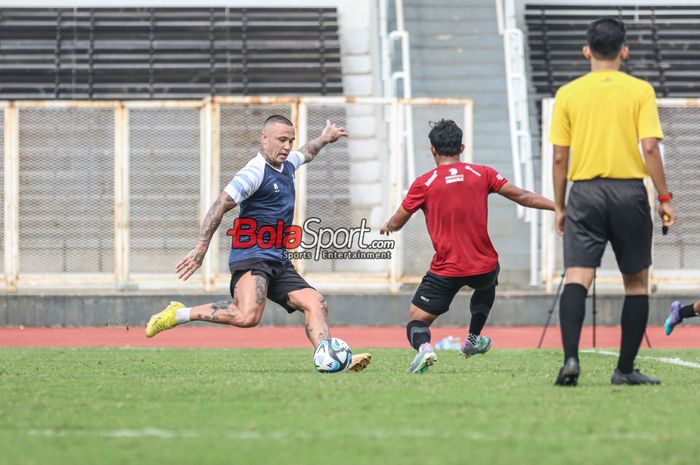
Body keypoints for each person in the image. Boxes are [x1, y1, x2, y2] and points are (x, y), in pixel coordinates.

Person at [144, 115, 371, 373]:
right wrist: (201, 248)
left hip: (278, 258)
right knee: (247, 316)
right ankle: (179, 314)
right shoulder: (254, 172)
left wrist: (324, 139)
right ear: (264, 138)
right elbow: (220, 205)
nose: (287, 146)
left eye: (290, 140)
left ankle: (332, 359)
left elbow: (307, 152)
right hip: (252, 255)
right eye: (281, 140)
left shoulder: (287, 163)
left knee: (316, 303)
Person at [550, 18, 676, 386]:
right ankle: (624, 369)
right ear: (624, 51)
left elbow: (560, 157)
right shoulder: (640, 91)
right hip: (628, 193)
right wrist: (665, 197)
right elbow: (650, 147)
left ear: (587, 50)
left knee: (577, 277)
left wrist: (560, 206)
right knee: (636, 283)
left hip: (585, 193)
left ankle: (571, 359)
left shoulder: (568, 94)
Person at [380, 119, 554, 374]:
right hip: (483, 266)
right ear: (461, 147)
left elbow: (398, 220)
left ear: (432, 150)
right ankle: (473, 338)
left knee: (417, 319)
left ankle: (425, 349)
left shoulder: (424, 183)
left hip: (446, 269)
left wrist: (389, 227)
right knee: (490, 278)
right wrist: (558, 206)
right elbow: (523, 196)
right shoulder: (482, 173)